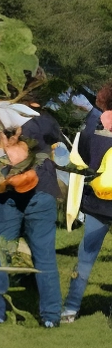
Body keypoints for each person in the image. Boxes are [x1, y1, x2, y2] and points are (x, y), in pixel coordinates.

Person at [0, 102, 64, 327]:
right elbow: (54, 139)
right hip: (37, 190)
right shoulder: (44, 119)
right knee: (45, 257)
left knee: (0, 254)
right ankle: (50, 317)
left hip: (9, 191)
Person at [62, 82, 112, 323]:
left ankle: (70, 309)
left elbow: (81, 155)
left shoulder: (94, 124)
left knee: (86, 256)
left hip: (98, 201)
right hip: (100, 202)